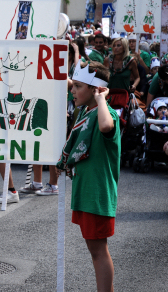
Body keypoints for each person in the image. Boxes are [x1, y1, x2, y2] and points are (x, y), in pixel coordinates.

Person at [57, 60, 119, 292]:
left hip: (97, 194)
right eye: (73, 86)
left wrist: (102, 98)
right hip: (85, 192)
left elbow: (105, 127)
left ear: (95, 90)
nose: (72, 90)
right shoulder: (85, 110)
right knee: (95, 251)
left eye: (78, 87)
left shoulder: (105, 113)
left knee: (98, 252)